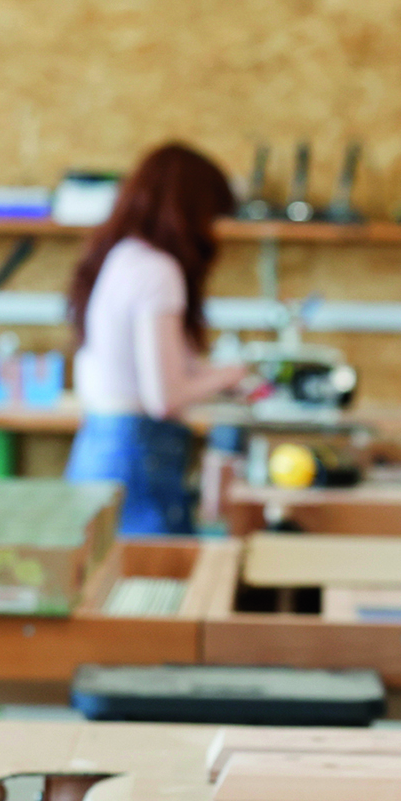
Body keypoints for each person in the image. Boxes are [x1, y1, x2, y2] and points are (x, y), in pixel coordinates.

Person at [66, 143, 249, 534]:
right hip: (137, 454)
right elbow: (164, 399)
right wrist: (232, 376)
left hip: (100, 446)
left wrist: (207, 375)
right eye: (211, 217)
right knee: (160, 585)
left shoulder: (123, 256)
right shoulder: (158, 270)